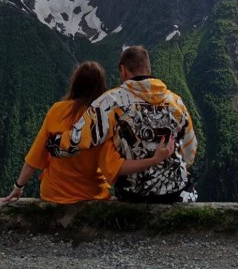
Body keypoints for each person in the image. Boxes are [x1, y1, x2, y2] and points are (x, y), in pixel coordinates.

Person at [4, 61, 174, 203]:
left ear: (75, 83)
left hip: (55, 193)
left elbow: (35, 155)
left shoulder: (57, 110)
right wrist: (154, 160)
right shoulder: (104, 118)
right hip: (93, 194)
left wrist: (19, 187)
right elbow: (113, 166)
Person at [47, 46, 198, 203]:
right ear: (149, 68)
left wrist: (54, 145)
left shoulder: (110, 102)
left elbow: (78, 141)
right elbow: (190, 149)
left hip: (134, 193)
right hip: (176, 192)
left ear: (123, 70)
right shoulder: (176, 102)